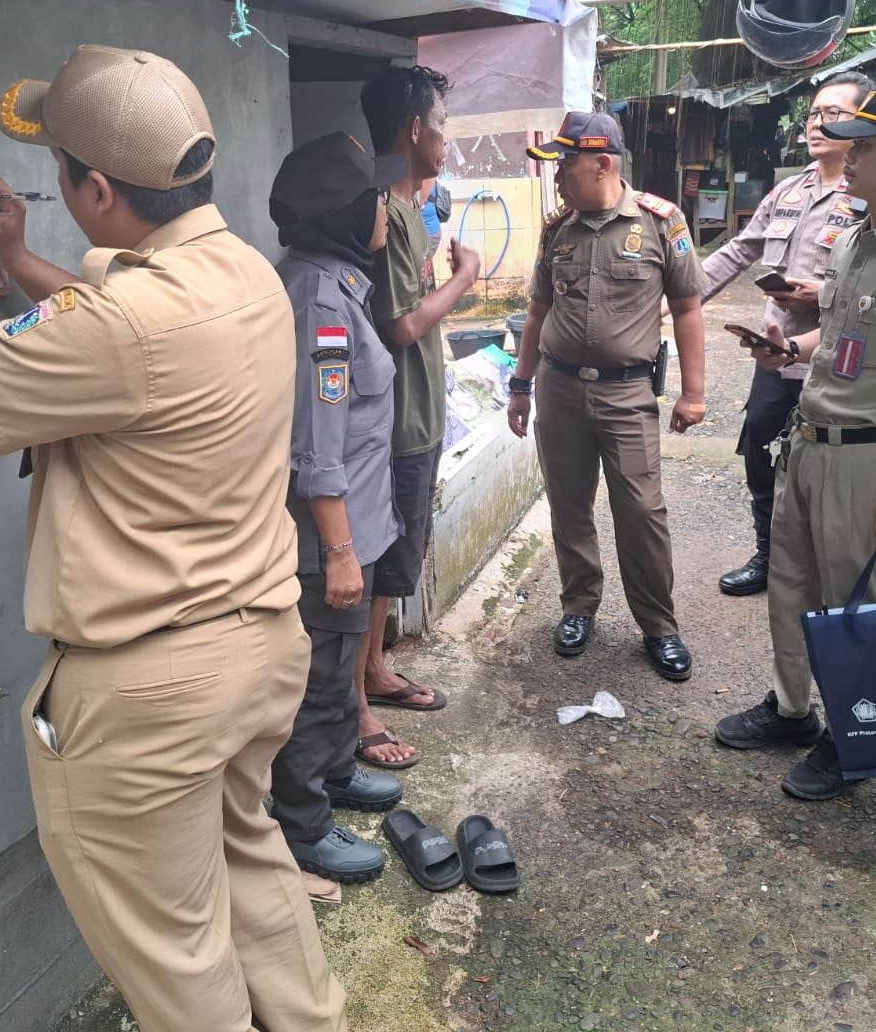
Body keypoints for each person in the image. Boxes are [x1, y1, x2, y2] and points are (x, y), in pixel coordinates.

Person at [0, 45, 345, 1032]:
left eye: (59, 170)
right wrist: (12, 260)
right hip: (258, 648)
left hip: (153, 691)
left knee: (175, 953)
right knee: (251, 869)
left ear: (94, 190)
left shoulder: (123, 325)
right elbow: (115, 333)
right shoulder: (244, 271)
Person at [713, 88, 876, 802]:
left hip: (867, 457)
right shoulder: (855, 238)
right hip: (806, 440)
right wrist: (787, 349)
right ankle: (791, 709)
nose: (849, 156)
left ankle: (852, 735)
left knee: (856, 604)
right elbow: (839, 339)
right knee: (792, 587)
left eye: (864, 146)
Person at [507, 112, 708, 681]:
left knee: (641, 511)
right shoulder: (557, 228)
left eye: (565, 164)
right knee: (569, 504)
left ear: (601, 164)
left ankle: (659, 625)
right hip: (560, 389)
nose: (557, 177)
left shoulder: (661, 222)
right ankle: (578, 606)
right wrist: (521, 385)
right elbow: (537, 311)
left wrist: (693, 394)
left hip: (627, 395)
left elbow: (688, 307)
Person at [269, 132, 408, 884]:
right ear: (344, 212)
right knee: (319, 678)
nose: (386, 207)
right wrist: (340, 552)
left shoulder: (336, 281)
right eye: (375, 195)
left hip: (357, 521)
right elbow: (317, 445)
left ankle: (335, 771)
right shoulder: (322, 301)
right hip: (332, 536)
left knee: (337, 666)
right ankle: (304, 823)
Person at [700, 72, 872, 597]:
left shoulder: (872, 195)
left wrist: (821, 294)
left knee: (829, 464)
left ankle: (825, 567)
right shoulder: (789, 191)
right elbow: (738, 251)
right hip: (776, 355)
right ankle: (769, 556)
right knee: (760, 449)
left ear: (865, 122)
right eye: (814, 113)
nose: (817, 123)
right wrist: (678, 299)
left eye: (833, 114)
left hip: (838, 358)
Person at [355, 66, 481, 768]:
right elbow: (402, 324)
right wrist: (464, 277)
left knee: (399, 558)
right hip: (397, 421)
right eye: (440, 124)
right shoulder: (384, 211)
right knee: (380, 564)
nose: (445, 138)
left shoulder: (407, 206)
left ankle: (375, 668)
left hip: (420, 415)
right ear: (412, 129)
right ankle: (356, 700)